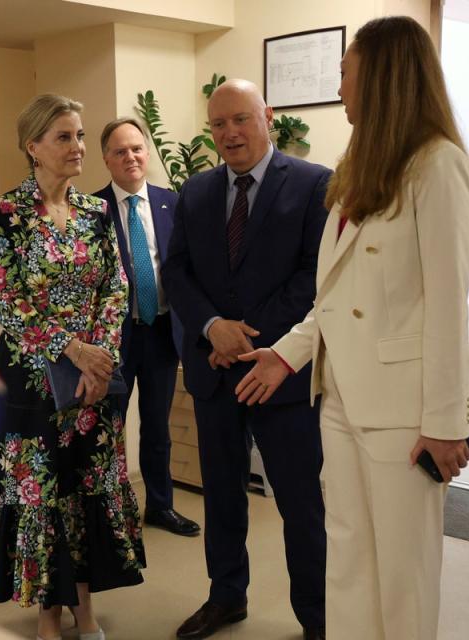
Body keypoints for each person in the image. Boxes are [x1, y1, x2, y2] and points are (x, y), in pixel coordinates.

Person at [236, 17, 469, 640]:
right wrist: (286, 355)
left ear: (381, 77)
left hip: (407, 410)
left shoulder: (438, 166)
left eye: (345, 74)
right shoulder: (358, 169)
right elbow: (336, 296)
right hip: (342, 398)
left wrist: (445, 423)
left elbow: (449, 305)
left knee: (403, 574)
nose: (340, 87)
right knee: (347, 564)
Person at [162, 79, 330, 640]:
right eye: (218, 124)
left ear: (268, 116)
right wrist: (213, 327)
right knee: (223, 497)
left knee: (300, 504)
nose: (229, 133)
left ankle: (317, 616)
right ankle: (226, 597)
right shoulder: (196, 192)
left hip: (280, 372)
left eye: (240, 119)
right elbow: (177, 271)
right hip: (215, 373)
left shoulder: (313, 185)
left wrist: (252, 336)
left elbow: (315, 276)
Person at [0, 94, 145, 640]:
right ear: (33, 147)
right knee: (42, 495)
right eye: (64, 138)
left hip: (96, 379)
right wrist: (72, 349)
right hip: (30, 379)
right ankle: (49, 615)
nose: (77, 147)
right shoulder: (6, 214)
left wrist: (101, 357)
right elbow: (4, 297)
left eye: (79, 135)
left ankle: (87, 610)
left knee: (84, 489)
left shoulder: (96, 213)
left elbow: (115, 288)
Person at [93, 118, 199, 537]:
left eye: (136, 148)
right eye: (120, 151)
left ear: (147, 152)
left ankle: (160, 506)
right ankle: (111, 513)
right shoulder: (92, 211)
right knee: (109, 428)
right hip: (114, 339)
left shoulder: (172, 203)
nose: (130, 157)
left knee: (157, 426)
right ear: (106, 159)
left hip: (160, 332)